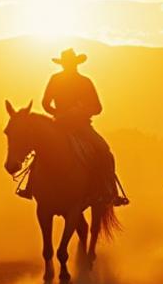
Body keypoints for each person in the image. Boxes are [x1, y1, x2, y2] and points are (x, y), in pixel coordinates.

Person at [25, 48, 126, 206]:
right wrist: (59, 113)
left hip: (81, 125)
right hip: (61, 123)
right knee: (42, 149)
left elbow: (97, 108)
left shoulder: (84, 82)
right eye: (66, 63)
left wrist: (80, 111)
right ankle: (30, 187)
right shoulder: (59, 80)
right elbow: (45, 103)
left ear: (74, 64)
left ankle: (109, 190)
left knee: (103, 150)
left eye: (69, 63)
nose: (68, 66)